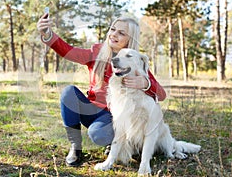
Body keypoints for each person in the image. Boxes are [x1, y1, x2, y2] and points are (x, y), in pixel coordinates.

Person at [37, 13, 166, 167]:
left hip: (112, 117)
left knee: (98, 135)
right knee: (68, 92)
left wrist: (145, 83)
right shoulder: (96, 52)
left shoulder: (134, 61)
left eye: (121, 33)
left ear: (129, 39)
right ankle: (75, 148)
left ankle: (124, 146)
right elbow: (68, 51)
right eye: (113, 29)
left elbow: (162, 94)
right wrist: (48, 34)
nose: (114, 34)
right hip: (91, 109)